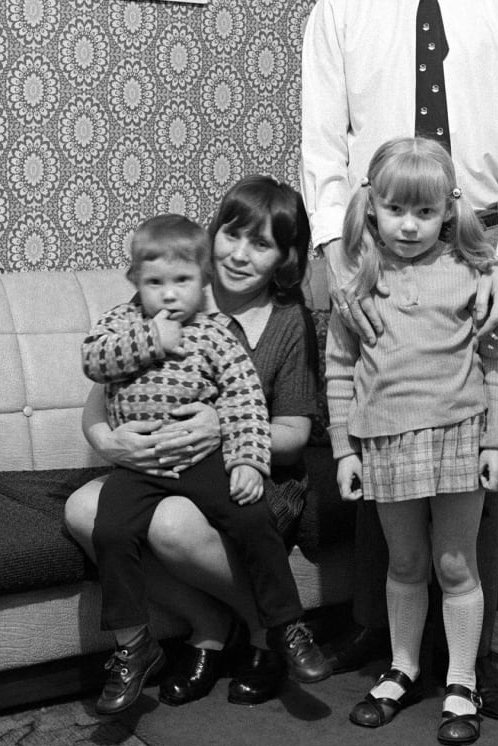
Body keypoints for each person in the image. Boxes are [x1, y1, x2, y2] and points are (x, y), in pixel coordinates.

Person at [300, 0, 498, 721]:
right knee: (379, 429)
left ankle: (470, 659)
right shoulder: (340, 8)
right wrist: (338, 258)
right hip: (374, 244)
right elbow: (323, 148)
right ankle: (388, 639)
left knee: (465, 446)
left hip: (475, 239)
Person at [65, 176, 324, 709]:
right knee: (85, 512)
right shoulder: (162, 292)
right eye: (233, 235)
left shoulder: (283, 323)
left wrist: (222, 429)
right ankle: (203, 624)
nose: (241, 254)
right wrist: (113, 446)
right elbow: (100, 395)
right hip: (154, 463)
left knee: (172, 523)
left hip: (251, 468)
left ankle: (264, 630)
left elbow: (292, 433)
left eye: (262, 244)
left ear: (285, 258)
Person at [327, 136, 498, 745]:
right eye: (395, 210)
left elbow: (496, 362)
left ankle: (461, 679)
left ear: (450, 210)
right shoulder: (356, 277)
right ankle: (403, 668)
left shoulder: (472, 272)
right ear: (371, 206)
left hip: (460, 434)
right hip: (383, 439)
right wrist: (344, 449)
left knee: (454, 564)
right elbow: (338, 367)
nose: (409, 226)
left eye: (425, 213)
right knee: (405, 563)